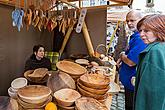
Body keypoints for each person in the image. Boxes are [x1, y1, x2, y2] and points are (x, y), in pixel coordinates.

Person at [116, 10, 147, 110]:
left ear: (141, 20)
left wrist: (121, 55)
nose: (129, 23)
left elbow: (130, 62)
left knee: (131, 106)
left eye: (132, 20)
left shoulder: (140, 38)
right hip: (129, 82)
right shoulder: (135, 36)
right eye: (127, 21)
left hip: (133, 84)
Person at [134, 14, 165, 110]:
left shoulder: (155, 51)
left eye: (146, 31)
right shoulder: (161, 47)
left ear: (159, 30)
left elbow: (152, 95)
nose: (141, 34)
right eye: (140, 31)